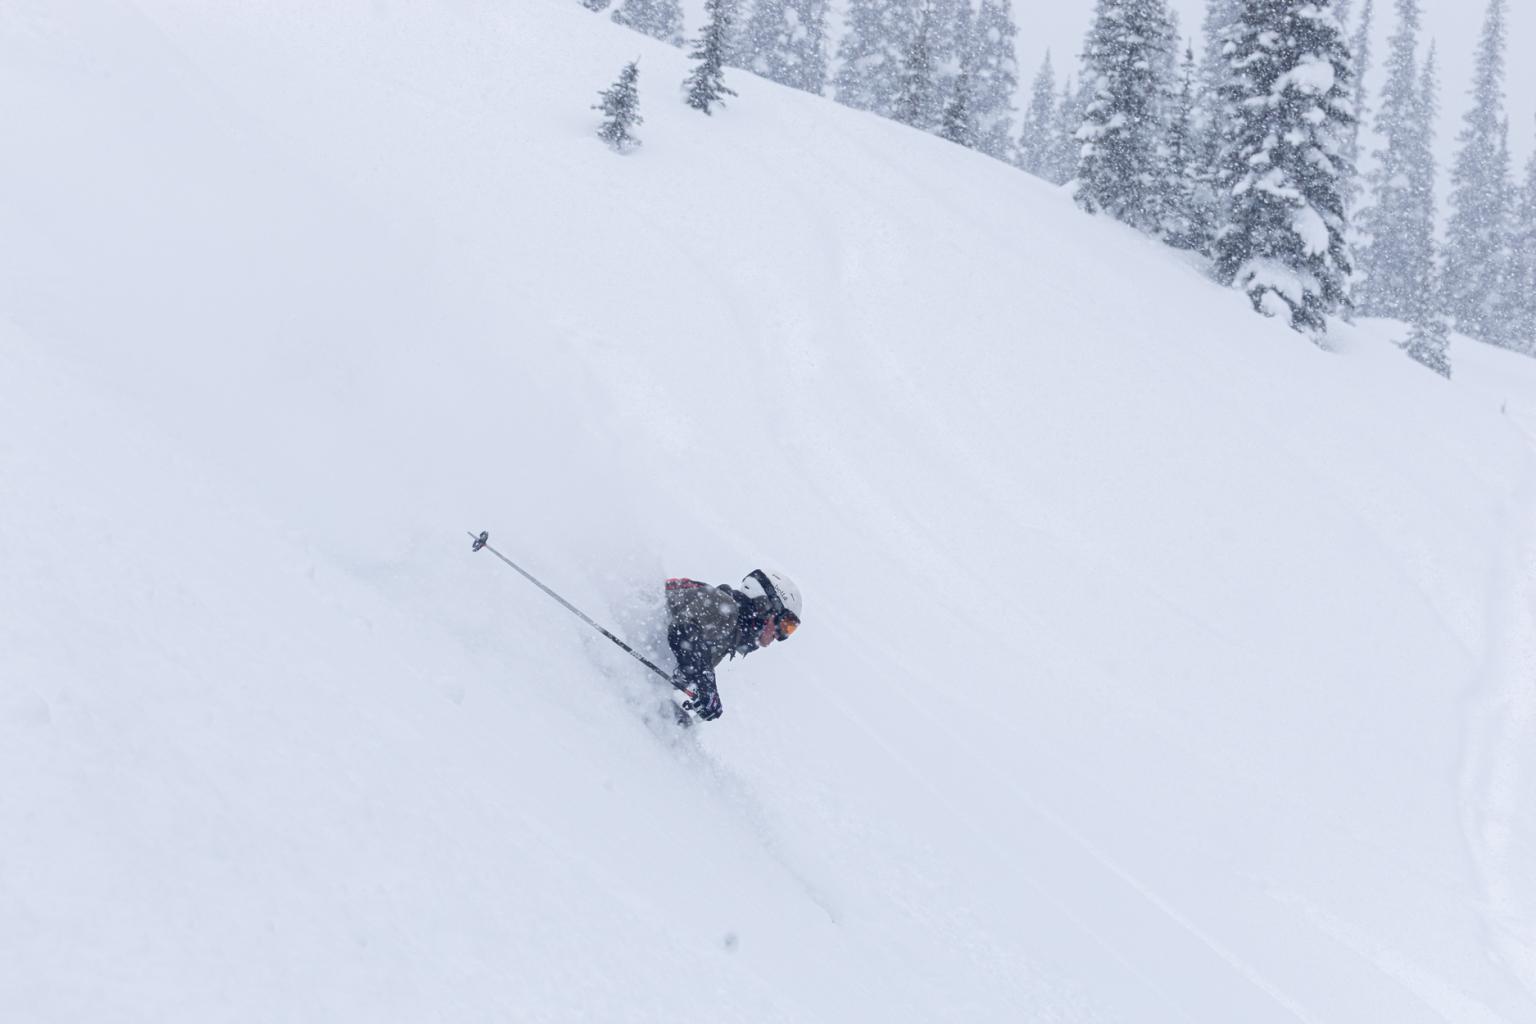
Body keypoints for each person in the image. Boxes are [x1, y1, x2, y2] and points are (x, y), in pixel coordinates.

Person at [665, 569, 802, 721]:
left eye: (789, 629)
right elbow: (682, 630)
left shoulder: (729, 635)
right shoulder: (725, 606)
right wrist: (705, 683)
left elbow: (680, 661)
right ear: (766, 605)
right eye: (785, 625)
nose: (779, 636)